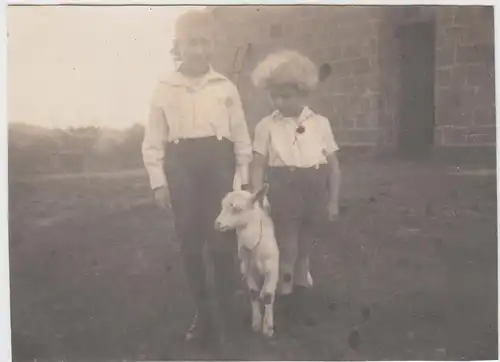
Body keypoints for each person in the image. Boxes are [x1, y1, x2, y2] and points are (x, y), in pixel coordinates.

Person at [142, 9, 253, 345]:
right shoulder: (164, 87)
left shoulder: (225, 87)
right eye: (192, 43)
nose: (199, 50)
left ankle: (227, 314)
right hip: (181, 164)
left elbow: (240, 135)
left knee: (222, 238)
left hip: (218, 161)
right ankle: (203, 315)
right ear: (178, 45)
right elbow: (153, 139)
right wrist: (158, 181)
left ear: (213, 45)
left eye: (205, 43)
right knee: (190, 241)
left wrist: (243, 179)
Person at [250, 49, 341, 328]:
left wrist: (332, 200)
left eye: (286, 96)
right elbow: (257, 165)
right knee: (286, 247)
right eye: (274, 95)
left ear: (303, 93)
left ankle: (301, 296)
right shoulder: (266, 126)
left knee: (304, 247)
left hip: (313, 188)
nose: (279, 101)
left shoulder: (320, 123)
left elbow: (334, 166)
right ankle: (285, 300)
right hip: (283, 189)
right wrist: (257, 198)